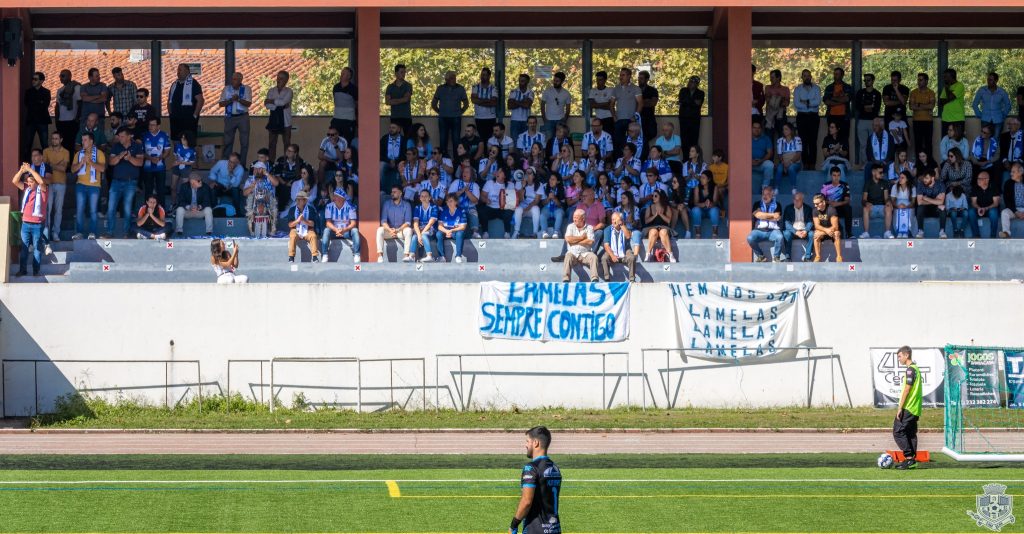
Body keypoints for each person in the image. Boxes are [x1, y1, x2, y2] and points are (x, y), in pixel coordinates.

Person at [509, 426, 561, 534]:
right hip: (555, 529)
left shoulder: (531, 468)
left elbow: (526, 501)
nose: (526, 445)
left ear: (535, 443)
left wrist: (513, 525)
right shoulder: (555, 468)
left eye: (527, 441)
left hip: (535, 529)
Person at [106, 127, 144, 238]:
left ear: (129, 136)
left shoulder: (137, 146)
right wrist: (120, 156)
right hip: (115, 182)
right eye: (119, 136)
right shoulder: (116, 147)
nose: (120, 138)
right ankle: (109, 232)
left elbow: (140, 163)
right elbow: (111, 162)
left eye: (122, 136)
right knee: (111, 208)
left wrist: (130, 158)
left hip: (130, 182)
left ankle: (127, 233)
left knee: (127, 209)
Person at [11, 163, 47, 277]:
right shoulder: (26, 189)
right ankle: (23, 270)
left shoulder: (42, 189)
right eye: (28, 181)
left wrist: (30, 170)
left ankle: (36, 271)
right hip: (25, 224)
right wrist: (22, 171)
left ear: (35, 182)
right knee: (24, 248)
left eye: (31, 182)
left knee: (37, 248)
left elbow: (41, 182)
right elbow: (15, 181)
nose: (29, 183)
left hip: (37, 224)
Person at [892, 346, 922, 470]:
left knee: (898, 431)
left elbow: (907, 389)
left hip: (909, 407)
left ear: (906, 355)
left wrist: (900, 408)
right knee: (910, 433)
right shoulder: (916, 369)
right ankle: (912, 461)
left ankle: (909, 458)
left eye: (899, 356)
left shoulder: (910, 370)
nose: (898, 359)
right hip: (916, 408)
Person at [71, 132, 105, 240]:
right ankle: (79, 232)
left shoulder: (99, 153)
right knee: (80, 210)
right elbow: (72, 170)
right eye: (82, 140)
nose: (82, 142)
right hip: (80, 185)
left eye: (85, 140)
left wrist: (89, 161)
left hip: (94, 186)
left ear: (91, 141)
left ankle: (92, 232)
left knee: (93, 210)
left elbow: (102, 169)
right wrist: (81, 163)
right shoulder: (78, 154)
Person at [431, 71, 469, 159]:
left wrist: (460, 112)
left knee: (456, 141)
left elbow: (466, 103)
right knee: (443, 140)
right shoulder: (440, 88)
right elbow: (433, 104)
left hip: (456, 118)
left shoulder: (460, 88)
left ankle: (456, 161)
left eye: (454, 77)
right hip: (443, 118)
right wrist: (440, 112)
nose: (454, 79)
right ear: (446, 79)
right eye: (451, 78)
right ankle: (443, 160)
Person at [168, 64, 204, 146]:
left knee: (189, 142)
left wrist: (195, 115)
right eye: (177, 70)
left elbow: (200, 100)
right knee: (176, 142)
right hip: (175, 119)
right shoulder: (174, 84)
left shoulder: (194, 84)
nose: (178, 72)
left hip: (189, 120)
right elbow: (169, 101)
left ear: (187, 71)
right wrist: (171, 114)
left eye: (180, 70)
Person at [320, 188, 360, 263]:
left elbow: (353, 223)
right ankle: (325, 254)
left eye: (336, 196)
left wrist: (344, 230)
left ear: (342, 198)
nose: (334, 198)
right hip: (334, 231)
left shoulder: (351, 207)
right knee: (326, 230)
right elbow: (328, 223)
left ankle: (357, 254)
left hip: (346, 231)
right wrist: (336, 230)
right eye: (334, 196)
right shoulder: (329, 206)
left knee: (355, 230)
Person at [43, 132, 69, 242]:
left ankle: (55, 233)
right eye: (52, 138)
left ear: (61, 140)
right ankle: (46, 234)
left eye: (56, 139)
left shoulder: (66, 152)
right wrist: (58, 164)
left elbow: (63, 168)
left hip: (61, 183)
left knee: (58, 210)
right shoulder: (46, 151)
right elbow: (44, 167)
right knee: (47, 210)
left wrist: (51, 165)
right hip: (48, 184)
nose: (54, 140)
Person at [243, 161, 280, 238]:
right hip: (254, 205)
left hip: (268, 204)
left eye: (258, 169)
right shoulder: (250, 180)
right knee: (250, 198)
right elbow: (244, 193)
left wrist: (266, 173)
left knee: (271, 197)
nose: (256, 171)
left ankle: (271, 230)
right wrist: (252, 187)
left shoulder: (269, 179)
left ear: (263, 170)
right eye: (255, 169)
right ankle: (253, 230)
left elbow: (276, 183)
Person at [377, 185, 413, 262]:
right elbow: (383, 221)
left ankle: (406, 256)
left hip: (400, 231)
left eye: (394, 192)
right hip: (389, 231)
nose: (392, 194)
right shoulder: (387, 204)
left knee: (409, 230)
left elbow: (408, 222)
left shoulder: (406, 205)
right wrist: (390, 230)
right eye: (391, 192)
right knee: (380, 230)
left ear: (400, 193)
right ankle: (380, 256)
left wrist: (398, 230)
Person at [747, 185, 783, 262]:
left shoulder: (777, 205)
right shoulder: (757, 204)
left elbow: (777, 217)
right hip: (759, 231)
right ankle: (761, 256)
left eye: (767, 194)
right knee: (750, 238)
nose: (765, 196)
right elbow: (758, 215)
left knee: (780, 237)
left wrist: (763, 215)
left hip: (773, 231)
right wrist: (772, 215)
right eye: (763, 194)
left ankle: (776, 257)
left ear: (772, 195)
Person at [793, 69, 821, 166]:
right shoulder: (797, 89)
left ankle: (812, 165)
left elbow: (818, 102)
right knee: (803, 141)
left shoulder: (817, 88)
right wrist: (811, 103)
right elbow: (797, 104)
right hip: (802, 117)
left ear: (811, 77)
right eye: (805, 75)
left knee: (813, 141)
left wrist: (805, 102)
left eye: (808, 75)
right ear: (802, 77)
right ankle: (805, 164)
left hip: (813, 117)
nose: (807, 77)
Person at [562, 209, 599, 282]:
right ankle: (566, 279)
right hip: (573, 253)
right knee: (568, 256)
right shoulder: (570, 226)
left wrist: (574, 242)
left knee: (594, 257)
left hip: (585, 253)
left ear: (583, 218)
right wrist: (581, 237)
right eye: (574, 217)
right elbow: (568, 239)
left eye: (576, 217)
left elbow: (590, 241)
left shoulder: (589, 227)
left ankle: (594, 279)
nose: (574, 219)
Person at [853, 73, 882, 166]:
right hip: (862, 120)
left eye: (868, 80)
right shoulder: (860, 93)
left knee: (874, 143)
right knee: (863, 144)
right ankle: (864, 164)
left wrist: (866, 107)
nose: (866, 82)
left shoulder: (877, 94)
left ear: (873, 81)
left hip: (873, 121)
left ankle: (874, 163)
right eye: (864, 80)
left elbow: (876, 108)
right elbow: (857, 106)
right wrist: (868, 107)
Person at [265, 70, 294, 161]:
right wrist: (279, 105)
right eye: (278, 77)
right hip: (274, 120)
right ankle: (271, 163)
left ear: (286, 80)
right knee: (272, 143)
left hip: (286, 121)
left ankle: (287, 163)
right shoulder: (271, 91)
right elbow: (267, 105)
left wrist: (272, 101)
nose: (278, 80)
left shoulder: (289, 91)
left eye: (281, 78)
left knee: (287, 144)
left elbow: (283, 102)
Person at [480, 167, 516, 238]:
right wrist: (486, 200)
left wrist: (505, 202)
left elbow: (512, 202)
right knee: (482, 210)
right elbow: (482, 196)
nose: (497, 173)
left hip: (503, 209)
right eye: (498, 171)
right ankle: (485, 232)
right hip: (490, 208)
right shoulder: (489, 182)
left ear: (505, 176)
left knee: (509, 212)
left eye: (500, 172)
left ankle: (507, 233)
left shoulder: (510, 185)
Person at [285, 190, 320, 263]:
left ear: (305, 201)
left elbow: (312, 224)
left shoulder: (311, 209)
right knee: (292, 235)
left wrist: (304, 220)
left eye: (299, 200)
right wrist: (297, 221)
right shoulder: (292, 209)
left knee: (313, 236)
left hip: (308, 230)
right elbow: (290, 224)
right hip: (295, 229)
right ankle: (291, 257)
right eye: (296, 199)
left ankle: (315, 257)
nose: (297, 201)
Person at [141, 118, 171, 202]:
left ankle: (161, 210)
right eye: (149, 125)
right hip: (147, 168)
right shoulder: (144, 135)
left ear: (158, 126)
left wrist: (159, 158)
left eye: (153, 125)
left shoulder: (164, 135)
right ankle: (147, 210)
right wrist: (150, 158)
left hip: (160, 168)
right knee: (148, 190)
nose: (150, 127)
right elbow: (141, 152)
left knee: (161, 190)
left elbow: (167, 151)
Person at [175, 172, 214, 237]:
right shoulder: (184, 186)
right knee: (179, 209)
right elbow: (180, 201)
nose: (201, 182)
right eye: (198, 181)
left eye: (201, 180)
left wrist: (199, 207)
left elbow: (207, 202)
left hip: (199, 211)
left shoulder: (205, 187)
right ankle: (179, 231)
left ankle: (209, 232)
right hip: (188, 211)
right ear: (192, 182)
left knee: (208, 209)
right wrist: (189, 207)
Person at [23, 71, 51, 161]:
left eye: (35, 79)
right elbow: (27, 104)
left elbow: (44, 105)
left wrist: (36, 103)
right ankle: (26, 165)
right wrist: (39, 102)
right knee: (27, 144)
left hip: (42, 121)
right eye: (32, 79)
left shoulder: (46, 92)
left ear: (41, 81)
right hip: (31, 121)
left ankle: (45, 164)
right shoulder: (28, 92)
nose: (33, 81)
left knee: (44, 144)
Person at [602, 212, 637, 282]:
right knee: (604, 258)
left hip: (624, 250)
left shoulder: (625, 227)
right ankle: (607, 278)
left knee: (632, 257)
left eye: (616, 220)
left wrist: (621, 225)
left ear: (621, 220)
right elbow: (606, 245)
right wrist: (612, 256)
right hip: (612, 251)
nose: (614, 222)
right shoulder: (607, 230)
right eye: (612, 220)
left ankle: (632, 279)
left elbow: (628, 236)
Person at [860, 164, 893, 239]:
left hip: (882, 208)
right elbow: (863, 200)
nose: (882, 174)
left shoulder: (884, 183)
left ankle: (887, 232)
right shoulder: (868, 183)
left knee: (888, 208)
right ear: (873, 172)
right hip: (872, 208)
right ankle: (866, 233)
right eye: (880, 172)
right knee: (865, 208)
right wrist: (866, 203)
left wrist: (888, 202)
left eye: (883, 172)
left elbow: (886, 198)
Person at [642, 190, 675, 262]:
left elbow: (668, 221)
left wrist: (661, 214)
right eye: (653, 196)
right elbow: (646, 221)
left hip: (664, 227)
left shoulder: (667, 207)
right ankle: (648, 254)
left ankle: (670, 254)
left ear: (661, 197)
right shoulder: (649, 207)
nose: (653, 197)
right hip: (652, 227)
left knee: (663, 232)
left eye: (656, 196)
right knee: (653, 232)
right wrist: (654, 216)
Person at [909, 73, 936, 158]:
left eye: (921, 80)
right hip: (917, 121)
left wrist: (919, 105)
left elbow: (931, 106)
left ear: (926, 81)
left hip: (928, 121)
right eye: (918, 80)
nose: (918, 82)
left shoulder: (931, 92)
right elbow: (911, 106)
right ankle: (918, 164)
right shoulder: (913, 92)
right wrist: (925, 106)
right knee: (918, 143)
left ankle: (929, 164)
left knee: (928, 143)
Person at [822, 67, 852, 142]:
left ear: (842, 75)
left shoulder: (847, 87)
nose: (835, 76)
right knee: (831, 138)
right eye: (834, 74)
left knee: (844, 139)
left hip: (844, 117)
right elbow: (826, 101)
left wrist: (833, 98)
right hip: (832, 117)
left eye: (837, 74)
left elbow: (847, 99)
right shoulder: (829, 88)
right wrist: (841, 100)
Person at [811, 193, 843, 262]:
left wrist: (824, 232)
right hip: (825, 230)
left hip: (833, 231)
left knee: (836, 233)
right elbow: (816, 225)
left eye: (817, 203)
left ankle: (839, 257)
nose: (815, 205)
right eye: (814, 204)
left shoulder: (831, 209)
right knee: (816, 234)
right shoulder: (815, 210)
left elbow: (836, 227)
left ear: (823, 202)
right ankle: (817, 257)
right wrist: (826, 231)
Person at [820, 166, 852, 238]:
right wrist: (830, 203)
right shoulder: (825, 185)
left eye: (838, 175)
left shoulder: (844, 185)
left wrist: (837, 204)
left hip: (840, 207)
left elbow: (847, 200)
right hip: (829, 208)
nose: (836, 177)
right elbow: (821, 199)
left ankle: (849, 233)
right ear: (831, 175)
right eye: (834, 175)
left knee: (848, 208)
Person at [782, 191, 814, 262]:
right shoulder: (788, 208)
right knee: (786, 233)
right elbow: (787, 224)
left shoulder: (808, 208)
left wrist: (806, 230)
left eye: (798, 200)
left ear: (802, 200)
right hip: (793, 231)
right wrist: (795, 232)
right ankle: (788, 257)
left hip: (804, 231)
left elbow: (810, 222)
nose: (796, 201)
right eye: (794, 199)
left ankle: (807, 257)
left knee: (812, 234)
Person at [513, 168, 544, 239]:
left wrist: (528, 208)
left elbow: (536, 201)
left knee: (536, 208)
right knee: (518, 209)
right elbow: (519, 199)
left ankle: (535, 233)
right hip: (522, 209)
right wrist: (523, 186)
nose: (527, 175)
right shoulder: (519, 183)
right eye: (526, 173)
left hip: (531, 209)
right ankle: (516, 232)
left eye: (530, 173)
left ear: (534, 176)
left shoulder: (539, 185)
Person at [409, 188, 439, 262]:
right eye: (422, 196)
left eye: (426, 196)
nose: (424, 198)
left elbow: (430, 223)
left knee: (424, 235)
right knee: (414, 237)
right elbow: (415, 223)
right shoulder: (417, 207)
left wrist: (421, 234)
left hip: (431, 230)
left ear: (429, 198)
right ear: (420, 198)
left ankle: (429, 256)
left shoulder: (434, 207)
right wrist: (419, 235)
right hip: (421, 230)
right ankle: (411, 256)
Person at [915, 170, 947, 239]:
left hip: (936, 209)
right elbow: (919, 202)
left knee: (942, 208)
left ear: (932, 178)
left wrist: (926, 198)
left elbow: (941, 202)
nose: (924, 180)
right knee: (920, 208)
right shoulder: (920, 184)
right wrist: (935, 200)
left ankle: (942, 231)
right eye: (924, 178)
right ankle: (920, 231)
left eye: (927, 178)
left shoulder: (940, 184)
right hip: (926, 209)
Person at [436, 193, 468, 263]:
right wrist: (447, 231)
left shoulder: (461, 211)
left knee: (460, 234)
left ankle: (458, 256)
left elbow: (463, 227)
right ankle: (442, 256)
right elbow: (439, 226)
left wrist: (451, 230)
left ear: (456, 202)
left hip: (455, 232)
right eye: (447, 201)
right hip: (446, 232)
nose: (449, 203)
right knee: (438, 234)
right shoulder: (443, 210)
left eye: (451, 201)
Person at [970, 171, 1001, 239]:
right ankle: (976, 236)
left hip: (989, 209)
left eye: (980, 179)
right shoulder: (975, 188)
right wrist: (979, 208)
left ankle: (993, 237)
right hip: (979, 209)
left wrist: (986, 208)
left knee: (994, 212)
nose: (978, 180)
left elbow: (996, 203)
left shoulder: (994, 187)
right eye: (977, 178)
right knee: (971, 212)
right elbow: (973, 203)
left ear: (987, 180)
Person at [540, 71, 571, 140]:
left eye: (557, 81)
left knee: (561, 139)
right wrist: (544, 119)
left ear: (562, 81)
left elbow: (568, 108)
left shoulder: (566, 93)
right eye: (554, 80)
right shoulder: (547, 91)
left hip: (560, 120)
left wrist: (564, 119)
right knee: (549, 140)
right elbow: (542, 105)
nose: (555, 82)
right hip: (549, 120)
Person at [677, 75, 705, 152]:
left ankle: (693, 159)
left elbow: (698, 104)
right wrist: (693, 102)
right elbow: (681, 100)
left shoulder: (700, 93)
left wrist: (686, 102)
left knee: (694, 140)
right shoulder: (683, 90)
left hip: (694, 120)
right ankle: (685, 159)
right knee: (684, 140)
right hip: (684, 119)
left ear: (696, 84)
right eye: (689, 81)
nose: (689, 83)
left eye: (692, 82)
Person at [689, 169, 719, 239]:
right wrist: (704, 204)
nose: (701, 179)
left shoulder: (715, 187)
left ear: (708, 179)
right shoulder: (697, 187)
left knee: (715, 210)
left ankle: (715, 234)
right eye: (701, 177)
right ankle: (698, 234)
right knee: (695, 210)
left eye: (703, 178)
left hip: (710, 210)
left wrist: (710, 203)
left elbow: (715, 202)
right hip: (701, 211)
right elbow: (695, 203)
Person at [331, 67, 357, 143]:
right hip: (337, 118)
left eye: (344, 73)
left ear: (349, 76)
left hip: (349, 120)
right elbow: (336, 101)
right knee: (333, 139)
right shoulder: (336, 87)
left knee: (347, 141)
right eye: (342, 73)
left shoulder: (353, 89)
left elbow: (357, 103)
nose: (342, 75)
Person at [385, 64, 412, 135]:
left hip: (406, 116)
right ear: (396, 73)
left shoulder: (408, 86)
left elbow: (406, 99)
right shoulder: (390, 87)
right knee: (395, 137)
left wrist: (394, 100)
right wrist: (401, 99)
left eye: (404, 72)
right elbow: (387, 102)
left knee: (408, 138)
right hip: (395, 116)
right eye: (401, 72)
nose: (403, 74)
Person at [170, 131, 196, 205]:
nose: (182, 139)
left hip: (186, 169)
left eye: (184, 138)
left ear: (189, 140)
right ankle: (173, 204)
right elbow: (175, 155)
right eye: (181, 138)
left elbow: (191, 162)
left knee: (185, 188)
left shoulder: (192, 150)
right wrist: (176, 161)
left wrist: (181, 162)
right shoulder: (177, 146)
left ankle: (184, 204)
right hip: (176, 167)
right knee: (173, 187)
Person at [763, 69, 790, 141]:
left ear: (778, 78)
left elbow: (786, 103)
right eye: (770, 77)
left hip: (781, 117)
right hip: (769, 115)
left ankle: (781, 152)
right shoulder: (767, 87)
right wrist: (780, 99)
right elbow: (768, 100)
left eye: (772, 77)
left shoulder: (785, 89)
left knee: (782, 138)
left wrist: (774, 98)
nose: (770, 79)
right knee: (768, 139)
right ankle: (770, 152)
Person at [775, 123, 802, 192]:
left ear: (791, 130)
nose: (784, 131)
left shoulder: (797, 139)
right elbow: (780, 155)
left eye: (786, 129)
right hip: (784, 162)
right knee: (779, 169)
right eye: (783, 129)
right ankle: (776, 189)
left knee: (791, 168)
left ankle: (794, 189)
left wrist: (790, 162)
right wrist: (783, 163)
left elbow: (798, 154)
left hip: (795, 162)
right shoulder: (780, 140)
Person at [471, 68, 498, 138]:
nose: (483, 76)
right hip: (479, 117)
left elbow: (494, 103)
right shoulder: (475, 87)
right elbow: (473, 100)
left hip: (491, 117)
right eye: (482, 75)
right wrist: (488, 100)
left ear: (489, 76)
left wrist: (479, 101)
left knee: (490, 138)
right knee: (481, 138)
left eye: (485, 75)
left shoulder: (493, 88)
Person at [507, 74, 534, 141]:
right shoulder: (513, 91)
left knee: (525, 141)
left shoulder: (530, 92)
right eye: (520, 80)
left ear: (527, 81)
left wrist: (515, 101)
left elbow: (527, 106)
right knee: (515, 141)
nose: (521, 82)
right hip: (515, 120)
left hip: (526, 121)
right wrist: (523, 102)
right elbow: (509, 106)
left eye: (523, 80)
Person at [1000, 162, 1024, 237]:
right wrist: (1016, 212)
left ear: (1020, 172)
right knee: (1004, 212)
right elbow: (1007, 201)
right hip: (1014, 209)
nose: (1011, 174)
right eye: (1011, 171)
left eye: (1013, 172)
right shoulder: (1008, 183)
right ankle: (1006, 233)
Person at [939, 68, 966, 134]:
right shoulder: (945, 88)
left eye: (946, 77)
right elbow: (941, 102)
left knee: (958, 141)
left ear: (952, 77)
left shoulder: (959, 85)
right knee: (945, 141)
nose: (944, 79)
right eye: (944, 77)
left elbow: (950, 97)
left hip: (957, 119)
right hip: (945, 119)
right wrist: (948, 98)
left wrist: (947, 89)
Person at [891, 171, 917, 238]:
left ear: (907, 179)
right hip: (898, 205)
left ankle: (907, 231)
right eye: (899, 177)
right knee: (897, 212)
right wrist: (897, 206)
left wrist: (906, 206)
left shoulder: (912, 187)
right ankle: (899, 231)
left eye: (902, 178)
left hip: (909, 205)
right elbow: (892, 201)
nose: (900, 179)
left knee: (910, 212)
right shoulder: (894, 187)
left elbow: (913, 202)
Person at [751, 120, 775, 190]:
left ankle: (765, 187)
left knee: (770, 164)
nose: (756, 130)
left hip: (760, 162)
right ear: (751, 129)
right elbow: (741, 152)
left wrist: (761, 160)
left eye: (758, 128)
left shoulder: (766, 138)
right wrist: (750, 161)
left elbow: (770, 153)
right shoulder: (746, 138)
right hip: (748, 163)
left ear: (761, 129)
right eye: (754, 128)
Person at [638, 70, 659, 144]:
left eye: (641, 78)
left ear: (647, 79)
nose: (639, 80)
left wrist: (640, 102)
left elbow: (653, 103)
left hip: (649, 118)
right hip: (638, 118)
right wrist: (646, 101)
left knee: (652, 134)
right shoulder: (635, 90)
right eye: (639, 78)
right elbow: (632, 103)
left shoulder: (652, 90)